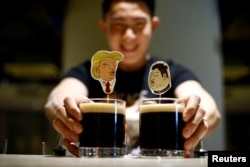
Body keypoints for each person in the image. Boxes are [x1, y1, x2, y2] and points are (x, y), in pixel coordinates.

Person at [44, 0, 221, 157]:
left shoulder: (171, 73)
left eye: (139, 24)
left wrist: (197, 114)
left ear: (153, 25)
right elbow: (56, 100)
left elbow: (209, 109)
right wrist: (65, 111)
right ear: (104, 26)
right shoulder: (87, 72)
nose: (129, 35)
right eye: (118, 24)